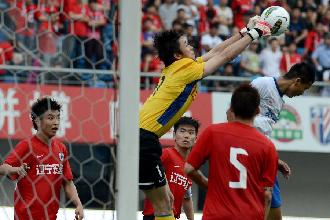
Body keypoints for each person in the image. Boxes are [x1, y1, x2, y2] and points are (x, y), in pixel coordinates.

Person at [139, 15, 272, 220]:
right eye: (186, 44)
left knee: (167, 201)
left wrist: (245, 31)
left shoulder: (179, 67)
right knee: (164, 204)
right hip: (144, 139)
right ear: (177, 55)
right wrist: (256, 33)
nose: (191, 46)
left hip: (143, 138)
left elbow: (216, 51)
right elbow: (224, 57)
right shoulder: (185, 69)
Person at [184, 84, 278, 219]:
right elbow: (267, 195)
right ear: (257, 111)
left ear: (232, 109)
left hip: (216, 215)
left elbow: (188, 169)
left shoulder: (213, 133)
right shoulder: (268, 147)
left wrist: (208, 185)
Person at [251, 62, 315, 220]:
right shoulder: (262, 84)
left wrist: (275, 160)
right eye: (305, 89)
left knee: (274, 213)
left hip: (266, 159)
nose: (302, 93)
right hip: (251, 158)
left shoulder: (280, 101)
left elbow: (263, 132)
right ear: (297, 81)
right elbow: (233, 113)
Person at [4, 97, 84, 220]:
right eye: (50, 118)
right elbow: (3, 168)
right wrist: (14, 170)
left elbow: (67, 182)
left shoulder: (61, 148)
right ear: (37, 120)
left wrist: (78, 204)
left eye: (58, 117)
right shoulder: (26, 146)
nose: (56, 122)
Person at [143, 116, 200, 220]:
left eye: (191, 132)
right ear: (174, 135)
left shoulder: (189, 167)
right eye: (182, 131)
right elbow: (146, 168)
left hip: (172, 217)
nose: (186, 136)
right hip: (155, 215)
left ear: (196, 139)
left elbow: (186, 197)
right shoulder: (166, 154)